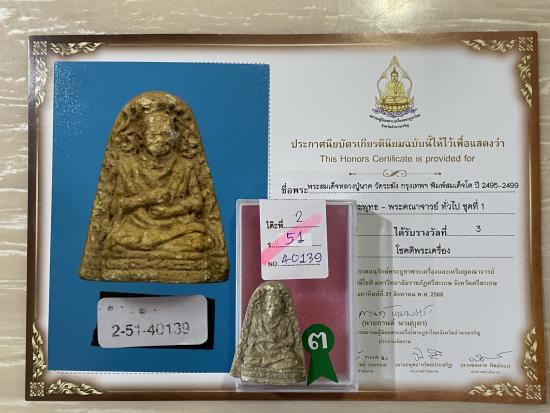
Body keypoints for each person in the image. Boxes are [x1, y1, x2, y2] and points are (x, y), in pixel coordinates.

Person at [80, 91, 229, 283]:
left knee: (199, 241)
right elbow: (117, 205)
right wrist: (146, 198)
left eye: (166, 135)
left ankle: (154, 251)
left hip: (177, 226)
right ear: (140, 137)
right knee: (117, 239)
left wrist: (171, 210)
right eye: (153, 135)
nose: (160, 140)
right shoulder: (127, 166)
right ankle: (148, 250)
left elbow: (197, 201)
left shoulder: (185, 166)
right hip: (137, 226)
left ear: (175, 137)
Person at [230, 281, 306, 385]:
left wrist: (278, 344)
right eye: (270, 305)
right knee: (248, 359)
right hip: (260, 351)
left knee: (292, 358)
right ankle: (267, 363)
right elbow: (250, 339)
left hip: (279, 352)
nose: (273, 308)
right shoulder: (257, 319)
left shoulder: (285, 321)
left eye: (276, 305)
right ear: (264, 305)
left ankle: (268, 362)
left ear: (282, 306)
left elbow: (291, 340)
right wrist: (265, 339)